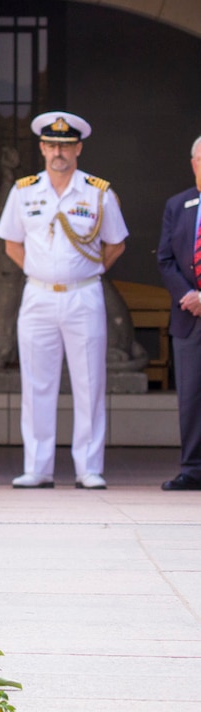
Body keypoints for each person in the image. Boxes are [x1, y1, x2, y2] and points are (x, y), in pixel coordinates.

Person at [0, 112, 128, 489]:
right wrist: (42, 271)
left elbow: (116, 244)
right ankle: (37, 467)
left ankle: (89, 467)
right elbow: (11, 243)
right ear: (41, 147)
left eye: (66, 146)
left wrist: (83, 272)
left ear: (78, 149)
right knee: (36, 383)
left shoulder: (97, 192)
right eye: (52, 145)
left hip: (83, 294)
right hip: (37, 294)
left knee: (89, 382)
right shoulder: (24, 191)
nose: (59, 152)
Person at [157, 134, 201, 491]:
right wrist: (188, 295)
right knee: (191, 397)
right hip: (189, 316)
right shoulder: (178, 204)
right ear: (193, 164)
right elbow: (165, 258)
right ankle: (193, 469)